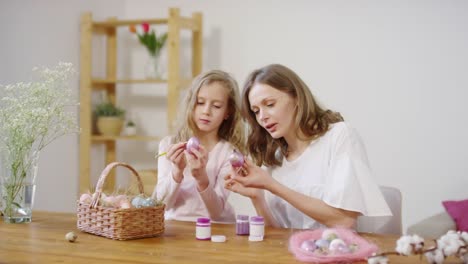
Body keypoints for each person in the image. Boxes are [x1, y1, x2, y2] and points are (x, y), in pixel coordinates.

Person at [225, 64, 391, 229]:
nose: (262, 117)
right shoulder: (276, 158)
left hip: (337, 251)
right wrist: (257, 197)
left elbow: (344, 220)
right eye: (256, 111)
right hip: (289, 253)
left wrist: (272, 185)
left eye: (269, 104)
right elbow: (277, 236)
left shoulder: (339, 136)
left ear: (296, 97)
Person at [153, 70, 244, 223]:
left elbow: (216, 213)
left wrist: (201, 178)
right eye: (200, 102)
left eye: (216, 106)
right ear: (191, 104)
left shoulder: (230, 154)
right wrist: (177, 171)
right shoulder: (169, 145)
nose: (206, 111)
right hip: (175, 227)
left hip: (216, 228)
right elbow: (162, 204)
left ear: (228, 112)